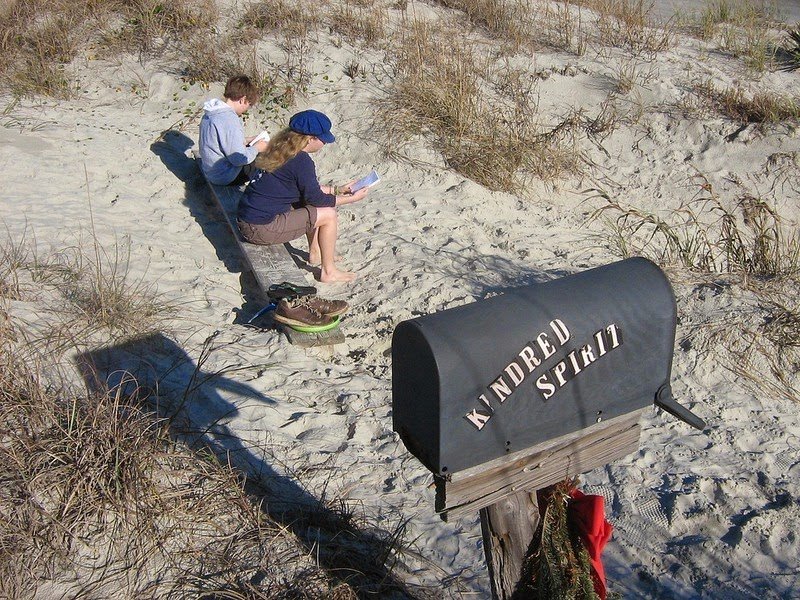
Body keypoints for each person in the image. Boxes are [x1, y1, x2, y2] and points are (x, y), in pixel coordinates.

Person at [237, 109, 368, 283]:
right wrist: (352, 199)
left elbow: (307, 189)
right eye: (322, 139)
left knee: (308, 204)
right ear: (310, 138)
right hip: (260, 229)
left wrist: (338, 189)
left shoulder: (279, 149)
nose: (324, 143)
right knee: (328, 214)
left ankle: (315, 252)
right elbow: (317, 199)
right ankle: (328, 272)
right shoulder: (301, 161)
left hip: (247, 219)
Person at [198, 75, 269, 185]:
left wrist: (248, 140)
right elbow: (238, 159)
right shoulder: (229, 120)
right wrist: (257, 148)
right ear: (243, 100)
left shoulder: (211, 113)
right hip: (224, 176)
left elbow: (221, 141)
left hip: (211, 170)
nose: (246, 109)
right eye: (248, 105)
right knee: (268, 156)